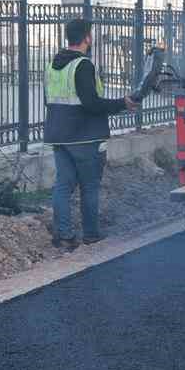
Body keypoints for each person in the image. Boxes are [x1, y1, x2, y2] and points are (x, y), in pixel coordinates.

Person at [43, 18, 138, 250]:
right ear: (87, 37)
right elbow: (92, 103)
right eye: (91, 35)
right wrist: (122, 103)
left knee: (63, 186)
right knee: (90, 186)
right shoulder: (83, 65)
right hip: (85, 136)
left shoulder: (53, 65)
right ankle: (91, 235)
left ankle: (63, 235)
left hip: (59, 135)